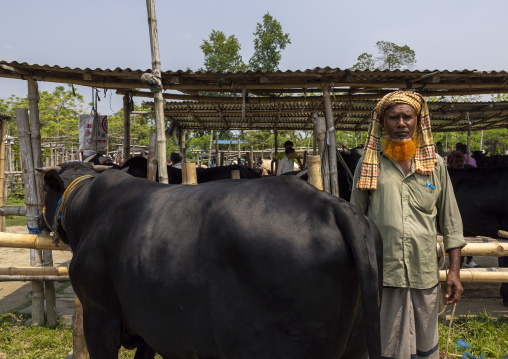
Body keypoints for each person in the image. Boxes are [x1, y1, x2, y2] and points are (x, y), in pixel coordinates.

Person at [350, 91, 465, 359]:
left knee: (425, 346)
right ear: (383, 123)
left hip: (424, 274)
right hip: (384, 276)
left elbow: (451, 223)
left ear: (417, 121)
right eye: (394, 117)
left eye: (407, 117)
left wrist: (455, 273)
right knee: (386, 346)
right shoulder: (369, 165)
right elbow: (355, 222)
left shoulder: (434, 165)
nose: (401, 123)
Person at [446, 151, 480, 268]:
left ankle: (468, 260)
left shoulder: (468, 174)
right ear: (450, 164)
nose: (460, 163)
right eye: (456, 161)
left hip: (466, 210)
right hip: (452, 210)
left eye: (461, 161)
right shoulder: (447, 175)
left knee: (468, 238)